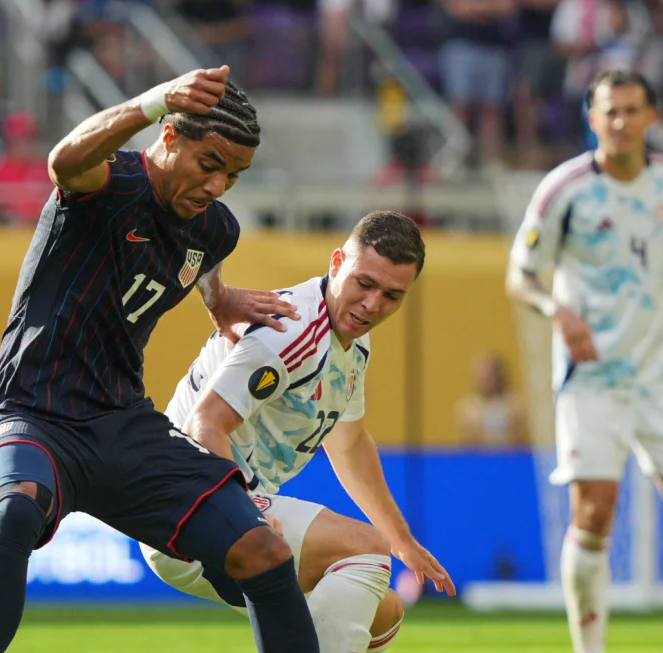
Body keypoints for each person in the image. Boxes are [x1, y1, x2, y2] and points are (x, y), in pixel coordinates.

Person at [0, 65, 319, 653]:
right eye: (210, 165)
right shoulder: (107, 185)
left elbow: (200, 259)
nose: (219, 185)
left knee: (264, 551)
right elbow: (63, 160)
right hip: (30, 411)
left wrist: (220, 300)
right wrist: (153, 101)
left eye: (234, 175)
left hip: (123, 425)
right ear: (170, 138)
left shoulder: (214, 229)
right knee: (17, 512)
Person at [143, 211, 454, 653]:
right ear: (335, 263)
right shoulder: (291, 330)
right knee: (365, 550)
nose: (372, 305)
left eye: (392, 295)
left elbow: (348, 445)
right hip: (186, 503)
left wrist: (403, 541)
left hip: (210, 504)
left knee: (382, 611)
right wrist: (242, 513)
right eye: (364, 283)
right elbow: (205, 423)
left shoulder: (352, 343)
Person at [506, 69, 663, 653]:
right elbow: (519, 275)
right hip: (592, 379)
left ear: (653, 116)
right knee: (595, 514)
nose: (622, 121)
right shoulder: (564, 190)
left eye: (633, 109)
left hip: (661, 372)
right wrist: (557, 309)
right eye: (611, 111)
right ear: (593, 119)